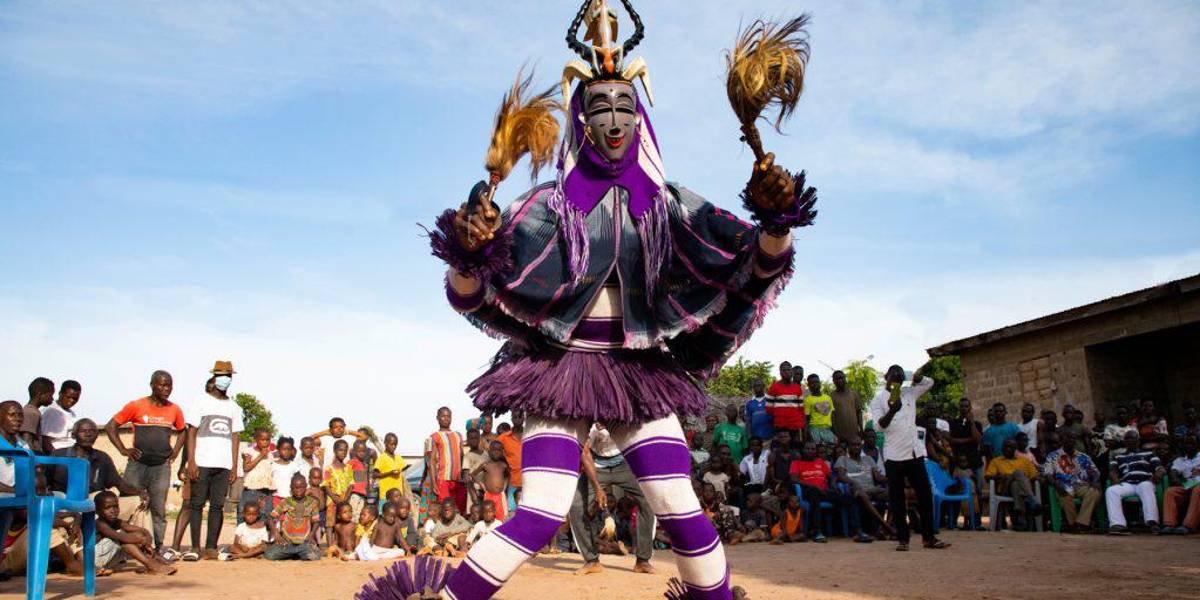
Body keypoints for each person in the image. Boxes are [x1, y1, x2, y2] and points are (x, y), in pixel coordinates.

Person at [869, 363, 950, 551]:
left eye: (898, 378)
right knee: (897, 499)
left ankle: (929, 538)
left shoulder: (908, 393)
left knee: (925, 495)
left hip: (914, 453)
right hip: (894, 455)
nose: (895, 381)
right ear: (885, 378)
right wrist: (892, 410)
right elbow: (879, 427)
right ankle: (903, 539)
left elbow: (929, 383)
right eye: (892, 377)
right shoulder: (878, 400)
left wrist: (911, 376)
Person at [105, 370, 186, 552]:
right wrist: (123, 449)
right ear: (152, 385)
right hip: (137, 465)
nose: (166, 389)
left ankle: (157, 547)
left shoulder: (174, 409)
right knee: (129, 504)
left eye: (169, 385)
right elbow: (111, 426)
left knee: (158, 508)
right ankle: (122, 547)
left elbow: (183, 431)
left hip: (161, 467)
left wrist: (174, 454)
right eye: (162, 385)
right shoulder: (136, 405)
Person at [569, 422, 655, 575]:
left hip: (625, 464)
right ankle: (592, 561)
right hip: (596, 466)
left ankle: (643, 561)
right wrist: (598, 488)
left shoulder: (626, 415)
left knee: (648, 500)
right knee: (576, 506)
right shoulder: (588, 423)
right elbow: (585, 453)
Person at [184, 360, 243, 560]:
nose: (225, 379)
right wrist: (191, 461)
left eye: (228, 376)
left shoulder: (234, 407)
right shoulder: (201, 401)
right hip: (202, 461)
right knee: (197, 504)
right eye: (221, 375)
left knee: (217, 506)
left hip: (223, 463)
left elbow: (236, 437)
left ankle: (211, 547)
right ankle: (194, 547)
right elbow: (191, 431)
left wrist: (234, 466)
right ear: (214, 377)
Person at [48, 419, 149, 525]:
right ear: (73, 435)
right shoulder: (58, 455)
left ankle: (144, 540)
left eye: (92, 431)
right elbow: (45, 481)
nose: (88, 434)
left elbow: (119, 483)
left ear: (96, 435)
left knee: (139, 502)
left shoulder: (102, 458)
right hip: (64, 502)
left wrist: (140, 492)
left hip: (93, 503)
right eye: (83, 431)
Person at [789, 440, 868, 543]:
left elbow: (831, 476)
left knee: (849, 499)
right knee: (814, 493)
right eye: (807, 448)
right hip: (808, 492)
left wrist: (834, 484)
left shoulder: (820, 462)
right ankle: (816, 532)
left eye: (812, 449)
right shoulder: (796, 463)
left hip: (824, 491)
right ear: (802, 450)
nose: (810, 451)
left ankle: (858, 531)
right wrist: (813, 486)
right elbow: (794, 479)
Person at [93, 490, 177, 575]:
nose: (113, 511)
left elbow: (140, 530)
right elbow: (120, 537)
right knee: (125, 540)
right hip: (94, 562)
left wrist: (146, 536)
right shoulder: (99, 523)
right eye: (108, 508)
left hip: (106, 561)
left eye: (115, 506)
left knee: (136, 536)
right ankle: (152, 565)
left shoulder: (116, 521)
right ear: (97, 511)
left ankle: (153, 559)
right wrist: (141, 539)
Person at [1105, 430, 1166, 535]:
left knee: (1145, 486)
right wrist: (1115, 479)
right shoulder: (1118, 456)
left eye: (1133, 438)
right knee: (1111, 490)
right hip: (1128, 484)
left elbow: (1161, 469)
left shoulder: (1149, 454)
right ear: (1124, 442)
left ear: (1138, 441)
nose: (1130, 441)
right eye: (1127, 439)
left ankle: (1152, 522)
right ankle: (1118, 524)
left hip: (1145, 481)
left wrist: (1158, 474)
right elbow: (1112, 471)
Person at [1043, 430, 1101, 533]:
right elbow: (1048, 473)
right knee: (1064, 496)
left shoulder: (1083, 457)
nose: (1070, 440)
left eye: (1073, 438)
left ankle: (1080, 524)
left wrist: (1095, 482)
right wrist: (1056, 484)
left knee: (1095, 492)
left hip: (1081, 485)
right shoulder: (1053, 456)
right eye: (1068, 438)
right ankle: (1075, 524)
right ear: (1062, 440)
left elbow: (1095, 473)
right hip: (1063, 485)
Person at [834, 438, 893, 537]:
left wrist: (893, 479)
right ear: (848, 447)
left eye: (858, 445)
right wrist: (853, 482)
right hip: (857, 490)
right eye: (853, 445)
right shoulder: (843, 459)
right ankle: (887, 527)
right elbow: (841, 476)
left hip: (873, 489)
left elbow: (878, 477)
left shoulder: (868, 459)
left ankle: (883, 529)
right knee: (862, 495)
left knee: (896, 493)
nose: (856, 447)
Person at [985, 439, 1042, 530]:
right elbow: (988, 477)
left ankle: (1020, 521)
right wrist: (1001, 477)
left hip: (1021, 490)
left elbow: (1035, 476)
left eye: (1009, 447)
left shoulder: (1024, 461)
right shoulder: (996, 461)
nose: (1006, 449)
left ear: (1015, 449)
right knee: (1018, 473)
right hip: (1004, 488)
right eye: (1005, 446)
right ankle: (1032, 500)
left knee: (1016, 485)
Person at [265, 472, 322, 560]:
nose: (298, 490)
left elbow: (316, 521)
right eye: (295, 488)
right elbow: (270, 518)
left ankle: (296, 553)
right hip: (287, 543)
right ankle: (294, 554)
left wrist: (311, 535)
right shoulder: (286, 502)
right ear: (291, 488)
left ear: (306, 487)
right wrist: (276, 534)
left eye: (301, 487)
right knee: (269, 555)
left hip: (304, 542)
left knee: (315, 556)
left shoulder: (312, 503)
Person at [423, 406, 466, 513]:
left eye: (448, 416)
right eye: (443, 416)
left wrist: (464, 475)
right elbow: (431, 461)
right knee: (445, 508)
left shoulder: (458, 435)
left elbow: (462, 456)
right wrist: (434, 482)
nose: (446, 419)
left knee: (460, 507)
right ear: (437, 418)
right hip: (443, 479)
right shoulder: (434, 437)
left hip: (458, 479)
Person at [1161, 435, 1200, 535]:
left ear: (1197, 445)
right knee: (1170, 492)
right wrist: (1175, 479)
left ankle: (1188, 525)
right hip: (1188, 485)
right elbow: (1174, 471)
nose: (1189, 446)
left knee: (1197, 490)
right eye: (1186, 444)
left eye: (1191, 443)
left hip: (1198, 486)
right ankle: (1170, 524)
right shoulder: (1180, 460)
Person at [239, 428, 276, 524]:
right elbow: (246, 467)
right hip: (251, 490)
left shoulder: (270, 455)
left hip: (265, 491)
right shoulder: (249, 452)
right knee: (247, 515)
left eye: (268, 440)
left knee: (264, 516)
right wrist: (260, 456)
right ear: (256, 440)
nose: (265, 442)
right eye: (263, 440)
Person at [469, 441, 511, 521]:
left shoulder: (503, 465)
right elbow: (472, 475)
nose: (496, 452)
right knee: (487, 516)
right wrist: (482, 485)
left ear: (502, 452)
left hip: (500, 496)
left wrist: (505, 487)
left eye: (498, 450)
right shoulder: (485, 465)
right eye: (493, 450)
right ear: (489, 451)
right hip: (488, 495)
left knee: (502, 517)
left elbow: (508, 476)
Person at [767, 362, 807, 443]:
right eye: (784, 370)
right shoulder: (773, 387)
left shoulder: (797, 388)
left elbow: (801, 409)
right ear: (780, 372)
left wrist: (801, 426)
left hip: (795, 427)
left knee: (795, 450)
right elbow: (769, 409)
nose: (787, 372)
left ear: (792, 372)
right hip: (780, 427)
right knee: (781, 451)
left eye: (788, 370)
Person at [39, 379, 81, 452]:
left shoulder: (72, 413)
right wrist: (56, 459)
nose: (71, 400)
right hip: (59, 456)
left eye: (75, 398)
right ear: (60, 393)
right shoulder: (51, 411)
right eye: (68, 397)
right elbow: (45, 440)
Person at [323, 439, 355, 530]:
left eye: (345, 450)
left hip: (345, 499)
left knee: (343, 522)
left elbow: (351, 484)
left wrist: (346, 498)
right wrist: (333, 497)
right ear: (335, 451)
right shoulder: (329, 468)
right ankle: (330, 544)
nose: (343, 453)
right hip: (332, 500)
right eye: (340, 450)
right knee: (330, 522)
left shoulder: (348, 468)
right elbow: (326, 484)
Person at [495, 410, 524, 506]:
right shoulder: (504, 438)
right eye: (515, 417)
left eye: (520, 416)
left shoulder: (530, 435)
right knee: (512, 513)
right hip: (512, 482)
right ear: (511, 418)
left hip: (530, 483)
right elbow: (493, 451)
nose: (518, 419)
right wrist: (503, 463)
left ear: (524, 418)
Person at [20, 377, 55, 452]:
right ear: (40, 395)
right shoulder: (32, 413)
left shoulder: (30, 410)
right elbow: (27, 440)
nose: (52, 399)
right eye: (50, 395)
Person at [373, 432, 409, 502]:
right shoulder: (382, 458)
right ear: (385, 443)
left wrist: (403, 494)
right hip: (386, 496)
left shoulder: (398, 458)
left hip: (398, 495)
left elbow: (404, 471)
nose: (393, 446)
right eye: (391, 444)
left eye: (395, 444)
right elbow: (374, 475)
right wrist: (389, 473)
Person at [829, 370, 862, 445]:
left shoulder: (853, 394)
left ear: (845, 378)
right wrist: (836, 433)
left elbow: (859, 412)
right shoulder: (831, 397)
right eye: (837, 379)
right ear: (833, 381)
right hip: (840, 437)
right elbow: (832, 416)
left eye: (841, 378)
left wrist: (861, 429)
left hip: (855, 435)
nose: (839, 380)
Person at [804, 374, 836, 445]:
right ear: (809, 385)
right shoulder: (808, 400)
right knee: (818, 450)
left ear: (820, 383)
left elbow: (832, 415)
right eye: (812, 383)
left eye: (817, 382)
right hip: (815, 429)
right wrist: (807, 432)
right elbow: (806, 418)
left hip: (828, 429)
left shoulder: (828, 398)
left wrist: (834, 430)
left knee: (829, 450)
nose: (815, 384)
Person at [462, 428, 489, 507]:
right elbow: (467, 478)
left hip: (486, 490)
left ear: (479, 438)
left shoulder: (486, 454)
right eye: (471, 438)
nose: (474, 440)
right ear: (468, 440)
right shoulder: (467, 456)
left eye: (476, 438)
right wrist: (473, 494)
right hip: (475, 491)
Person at [744, 379, 774, 443]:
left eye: (759, 385)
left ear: (763, 386)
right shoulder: (749, 403)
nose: (757, 387)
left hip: (770, 438)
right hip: (755, 440)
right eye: (755, 386)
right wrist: (749, 436)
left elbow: (775, 418)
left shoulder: (770, 400)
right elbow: (748, 422)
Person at [347, 440, 372, 516]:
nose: (362, 453)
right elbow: (347, 478)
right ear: (354, 451)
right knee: (353, 514)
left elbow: (365, 480)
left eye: (363, 451)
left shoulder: (364, 464)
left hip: (362, 494)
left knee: (359, 514)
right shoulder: (352, 462)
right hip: (354, 494)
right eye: (359, 451)